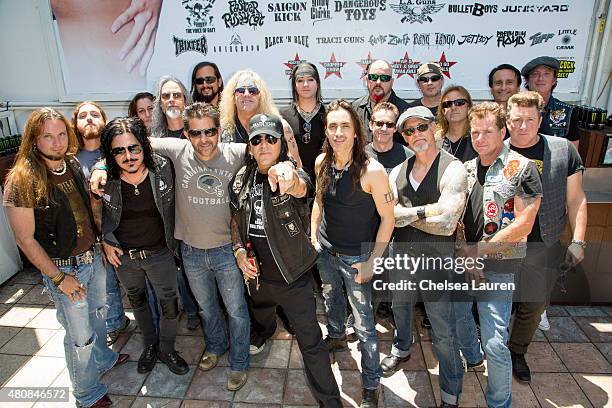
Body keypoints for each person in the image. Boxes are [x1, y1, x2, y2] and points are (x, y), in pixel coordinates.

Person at [91, 102, 251, 390]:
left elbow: (270, 152)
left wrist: (286, 166)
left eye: (210, 131)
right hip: (189, 250)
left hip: (227, 250)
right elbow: (126, 143)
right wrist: (100, 167)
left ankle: (239, 361)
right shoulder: (176, 151)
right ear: (186, 134)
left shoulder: (236, 153)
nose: (204, 139)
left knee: (237, 310)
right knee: (206, 308)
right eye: (196, 132)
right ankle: (215, 346)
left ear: (220, 131)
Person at [3, 107, 127, 408]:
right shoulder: (22, 180)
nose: (57, 142)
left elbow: (84, 211)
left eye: (61, 135)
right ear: (34, 139)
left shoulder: (70, 163)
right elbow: (24, 239)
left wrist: (100, 243)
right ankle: (86, 394)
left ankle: (104, 358)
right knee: (79, 337)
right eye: (48, 137)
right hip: (65, 269)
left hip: (91, 258)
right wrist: (59, 279)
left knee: (99, 313)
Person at [230, 113, 342, 408]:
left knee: (311, 344)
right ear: (250, 146)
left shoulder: (290, 171)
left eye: (271, 138)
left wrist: (290, 178)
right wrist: (239, 251)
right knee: (262, 317)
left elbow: (301, 186)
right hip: (256, 278)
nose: (264, 145)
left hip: (293, 278)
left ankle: (331, 402)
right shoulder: (241, 178)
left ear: (281, 143)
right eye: (257, 140)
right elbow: (234, 219)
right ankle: (265, 332)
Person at [455, 101, 542, 408]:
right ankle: (473, 357)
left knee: (495, 341)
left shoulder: (523, 168)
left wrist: (479, 252)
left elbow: (524, 225)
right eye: (475, 132)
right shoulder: (465, 168)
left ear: (503, 131)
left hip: (498, 266)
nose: (479, 139)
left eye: (487, 131)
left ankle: (499, 402)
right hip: (463, 262)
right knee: (460, 319)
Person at [311, 100, 395, 408]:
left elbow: (389, 218)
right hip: (327, 254)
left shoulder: (373, 171)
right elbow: (319, 202)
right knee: (331, 300)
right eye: (332, 126)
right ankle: (335, 336)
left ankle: (370, 385)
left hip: (356, 259)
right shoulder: (321, 161)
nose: (338, 132)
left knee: (364, 326)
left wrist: (372, 261)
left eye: (345, 126)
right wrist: (313, 238)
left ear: (357, 132)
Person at [386, 106, 467, 408]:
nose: (416, 134)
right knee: (400, 306)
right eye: (408, 131)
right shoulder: (397, 170)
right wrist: (427, 210)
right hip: (402, 255)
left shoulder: (453, 168)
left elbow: (447, 224)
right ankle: (401, 348)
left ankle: (450, 390)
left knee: (442, 330)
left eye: (421, 127)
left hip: (436, 262)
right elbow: (390, 217)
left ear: (434, 127)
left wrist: (406, 215)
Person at [506, 91, 587, 383]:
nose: (523, 126)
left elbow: (576, 199)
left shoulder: (563, 150)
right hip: (506, 243)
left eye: (530, 119)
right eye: (517, 120)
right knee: (496, 300)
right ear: (507, 121)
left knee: (533, 303)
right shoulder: (495, 151)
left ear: (541, 119)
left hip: (545, 242)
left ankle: (517, 350)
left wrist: (578, 240)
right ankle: (492, 348)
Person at [99, 117, 188, 375]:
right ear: (110, 153)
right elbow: (95, 214)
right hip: (124, 259)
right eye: (119, 150)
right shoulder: (107, 180)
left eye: (133, 148)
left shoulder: (163, 169)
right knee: (138, 304)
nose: (128, 156)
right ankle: (150, 346)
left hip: (160, 253)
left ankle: (167, 348)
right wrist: (105, 239)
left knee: (170, 307)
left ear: (144, 146)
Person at [72, 100, 131, 346]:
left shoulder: (115, 151)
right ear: (75, 123)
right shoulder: (71, 157)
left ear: (104, 121)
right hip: (91, 235)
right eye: (83, 115)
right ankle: (115, 323)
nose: (89, 118)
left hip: (123, 228)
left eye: (95, 114)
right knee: (105, 284)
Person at [219, 69, 303, 167]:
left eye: (253, 91)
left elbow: (298, 168)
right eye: (240, 91)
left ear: (261, 96)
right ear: (232, 97)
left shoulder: (281, 126)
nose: (246, 94)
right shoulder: (221, 128)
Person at [280, 62, 326, 183]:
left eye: (310, 79)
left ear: (317, 83)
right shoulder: (283, 115)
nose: (305, 84)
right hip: (295, 183)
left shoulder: (329, 114)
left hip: (326, 183)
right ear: (294, 85)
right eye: (300, 80)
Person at [521, 56, 580, 147]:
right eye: (535, 74)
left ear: (554, 80)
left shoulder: (569, 112)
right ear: (527, 80)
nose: (540, 78)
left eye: (546, 74)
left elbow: (572, 152)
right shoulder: (515, 109)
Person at [351, 59, 409, 144]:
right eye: (373, 77)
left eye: (384, 78)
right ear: (367, 80)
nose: (378, 82)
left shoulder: (405, 112)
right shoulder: (355, 109)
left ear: (391, 82)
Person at [365, 102, 412, 172]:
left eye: (389, 124)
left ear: (395, 128)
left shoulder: (409, 157)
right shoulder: (361, 156)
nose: (384, 129)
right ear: (371, 125)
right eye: (379, 123)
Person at [436, 86, 477, 163]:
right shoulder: (436, 140)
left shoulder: (478, 137)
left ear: (469, 107)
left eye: (459, 102)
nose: (453, 107)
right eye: (448, 104)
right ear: (443, 111)